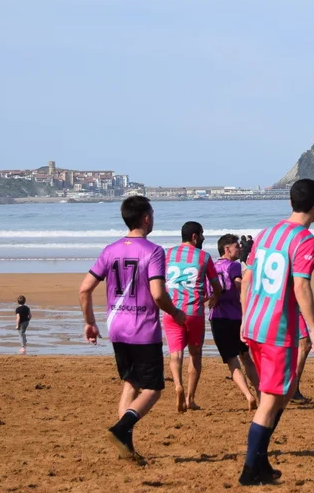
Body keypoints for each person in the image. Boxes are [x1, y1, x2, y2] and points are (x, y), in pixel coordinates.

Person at [78, 195, 187, 460]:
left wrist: (90, 322)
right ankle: (121, 428)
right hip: (143, 330)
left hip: (117, 328)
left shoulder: (110, 250)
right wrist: (175, 313)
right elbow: (158, 294)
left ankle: (125, 445)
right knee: (153, 389)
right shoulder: (154, 251)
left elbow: (84, 289)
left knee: (131, 382)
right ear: (146, 218)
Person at [238, 179, 314, 486]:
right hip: (277, 330)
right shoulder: (305, 240)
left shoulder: (267, 234)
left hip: (254, 324)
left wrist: (245, 317)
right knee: (271, 400)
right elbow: (300, 286)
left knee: (280, 394)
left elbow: (247, 278)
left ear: (291, 202)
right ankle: (251, 470)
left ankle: (261, 462)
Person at [164, 221, 222, 412]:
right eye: (202, 234)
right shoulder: (204, 257)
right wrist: (215, 296)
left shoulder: (169, 253)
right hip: (193, 312)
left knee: (175, 354)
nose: (204, 238)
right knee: (195, 355)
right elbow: (216, 285)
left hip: (172, 310)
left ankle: (177, 385)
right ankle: (190, 398)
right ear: (195, 236)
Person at [211, 233, 260, 410]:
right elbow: (239, 284)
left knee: (232, 361)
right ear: (227, 249)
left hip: (218, 318)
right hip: (236, 317)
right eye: (237, 246)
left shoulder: (212, 266)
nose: (240, 248)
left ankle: (248, 395)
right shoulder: (233, 266)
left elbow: (207, 291)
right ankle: (260, 394)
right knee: (246, 357)